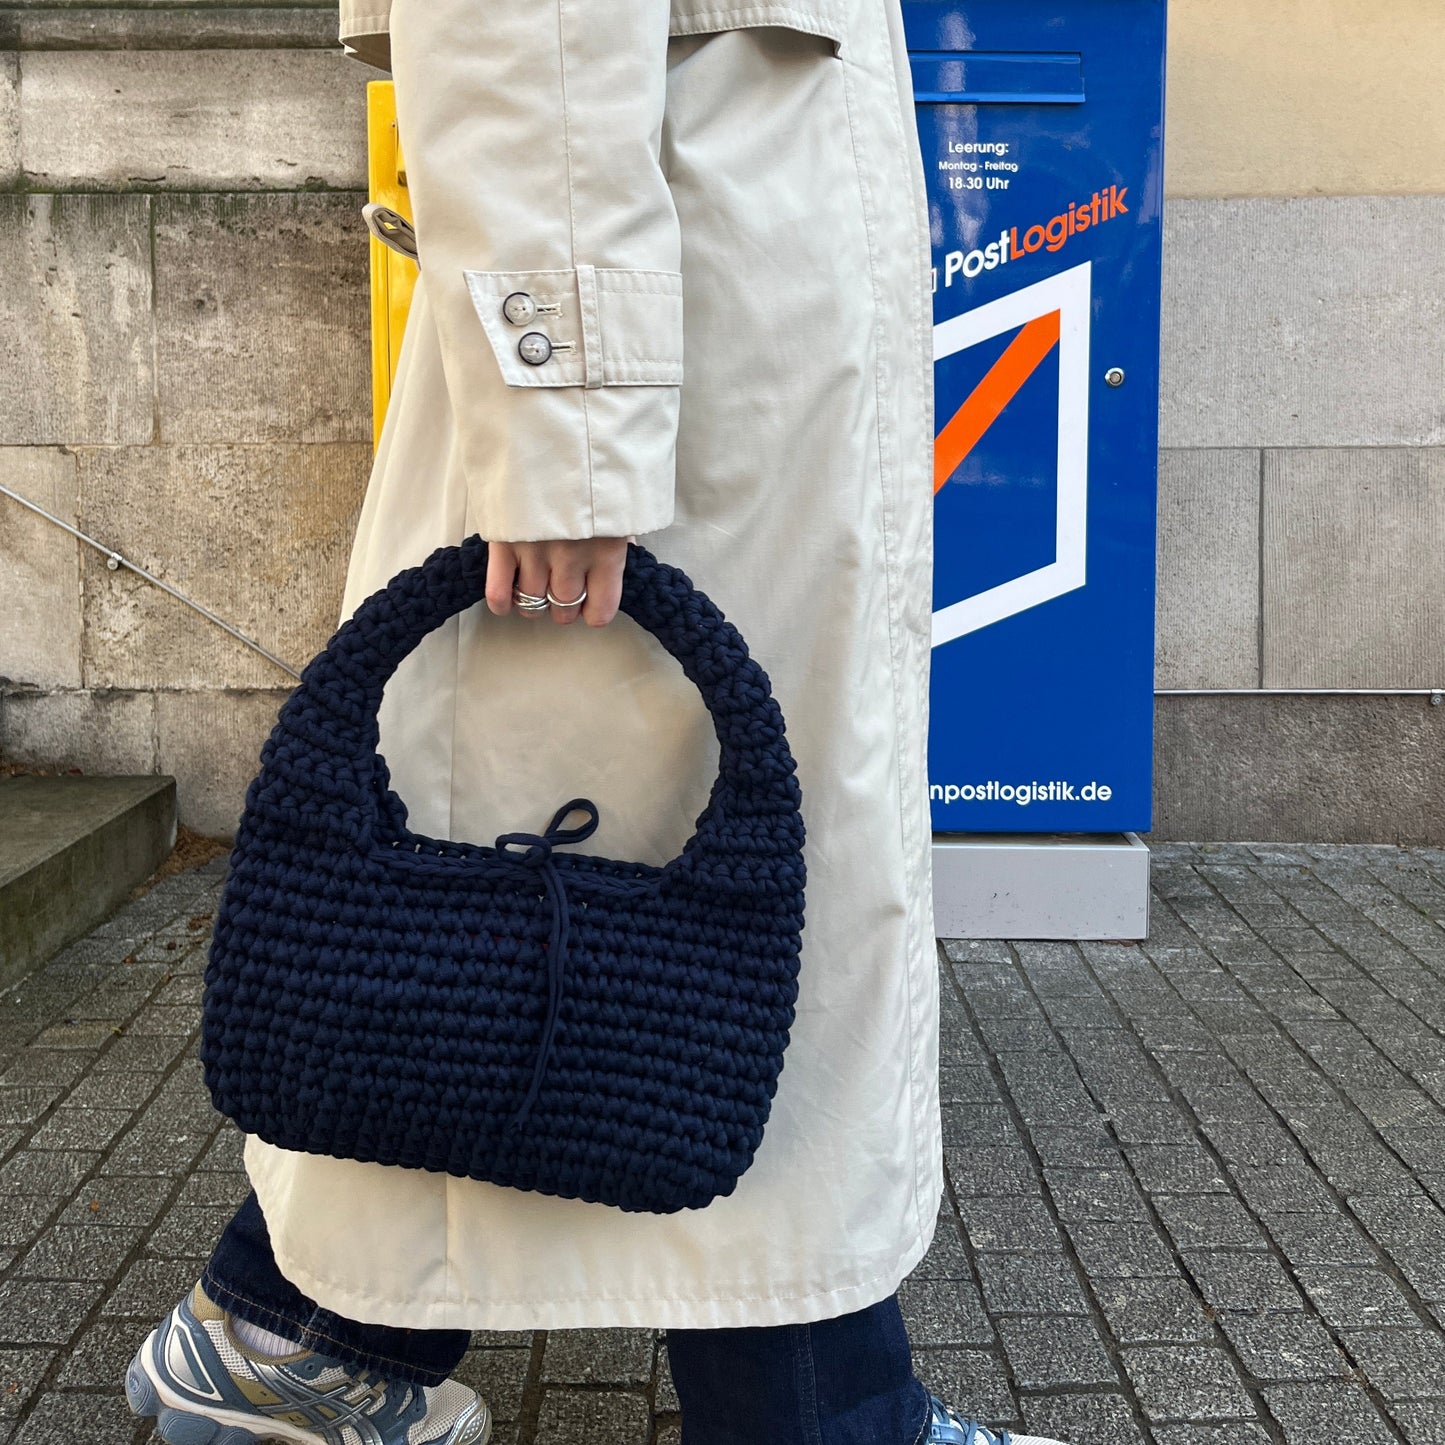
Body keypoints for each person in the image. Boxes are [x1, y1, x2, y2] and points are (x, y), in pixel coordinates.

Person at [124, 0, 1068, 1441]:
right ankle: (806, 1417)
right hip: (683, 353)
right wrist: (568, 414)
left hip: (726, 330)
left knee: (668, 918)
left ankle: (296, 1337)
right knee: (678, 921)